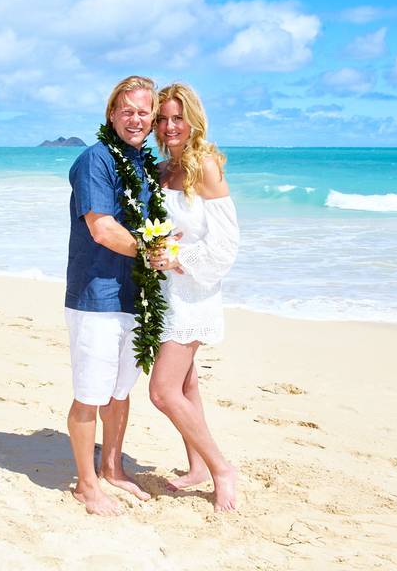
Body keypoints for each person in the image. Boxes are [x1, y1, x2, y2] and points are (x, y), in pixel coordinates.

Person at [65, 75, 159, 516]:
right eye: (127, 111)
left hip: (135, 296)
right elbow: (102, 229)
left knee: (120, 391)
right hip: (96, 294)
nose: (135, 119)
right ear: (111, 115)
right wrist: (154, 251)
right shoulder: (95, 160)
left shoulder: (145, 165)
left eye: (144, 112)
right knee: (90, 393)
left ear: (154, 118)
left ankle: (112, 469)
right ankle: (87, 486)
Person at [147, 82, 240, 512]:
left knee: (163, 391)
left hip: (192, 293)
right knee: (185, 383)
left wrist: (176, 256)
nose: (168, 126)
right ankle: (197, 466)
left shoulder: (205, 167)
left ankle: (221, 468)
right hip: (164, 292)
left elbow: (226, 247)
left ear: (193, 120)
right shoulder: (162, 171)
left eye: (177, 118)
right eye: (162, 118)